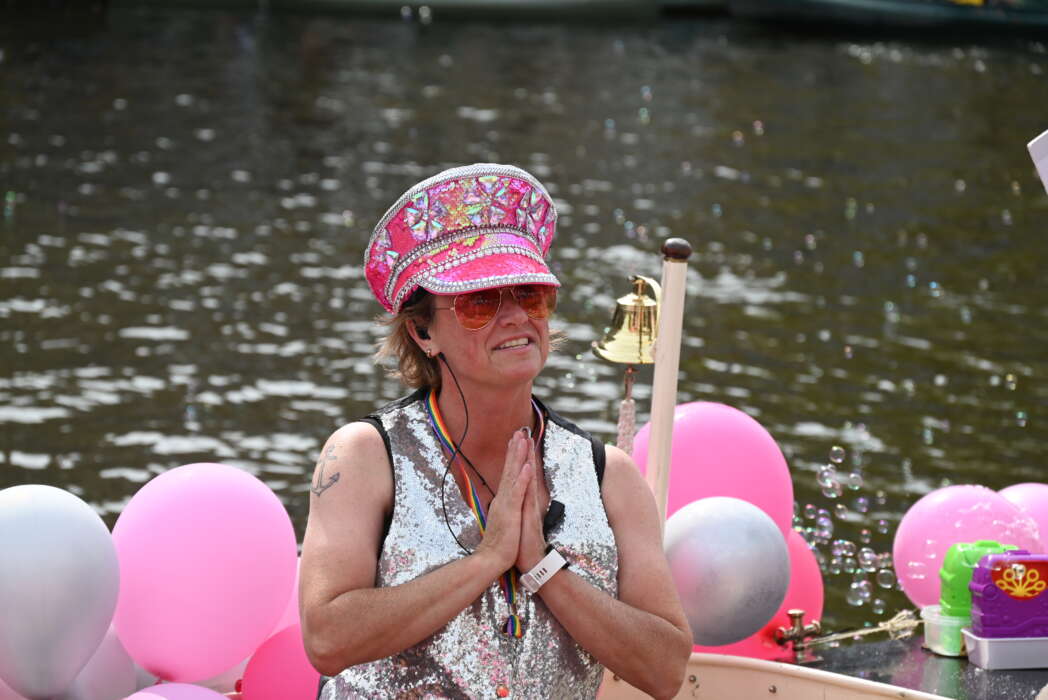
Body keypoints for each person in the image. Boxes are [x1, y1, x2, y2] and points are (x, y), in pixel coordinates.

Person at [300, 164, 692, 700]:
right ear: (422, 331)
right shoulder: (365, 455)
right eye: (479, 301)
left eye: (529, 295)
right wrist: (487, 559)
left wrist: (541, 565)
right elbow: (326, 638)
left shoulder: (609, 475)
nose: (514, 317)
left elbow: (666, 670)